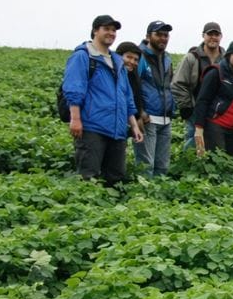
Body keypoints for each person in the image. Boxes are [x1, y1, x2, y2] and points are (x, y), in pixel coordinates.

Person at [63, 15, 143, 186]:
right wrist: (75, 119)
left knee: (115, 178)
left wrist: (134, 126)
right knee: (89, 177)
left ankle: (112, 211)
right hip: (93, 127)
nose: (111, 33)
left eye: (114, 30)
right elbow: (74, 89)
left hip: (117, 130)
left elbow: (126, 96)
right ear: (95, 31)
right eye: (106, 29)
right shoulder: (83, 56)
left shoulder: (117, 62)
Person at [194, 40, 233, 160]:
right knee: (217, 161)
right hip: (216, 125)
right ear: (229, 55)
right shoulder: (215, 72)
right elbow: (203, 100)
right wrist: (199, 128)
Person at [172, 22, 223, 149]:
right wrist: (187, 106)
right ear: (203, 36)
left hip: (217, 111)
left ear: (221, 37)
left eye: (216, 34)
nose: (213, 37)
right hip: (195, 109)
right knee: (193, 142)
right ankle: (189, 165)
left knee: (214, 144)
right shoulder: (192, 58)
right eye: (210, 34)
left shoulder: (226, 59)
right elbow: (177, 83)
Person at [134, 20, 175, 177]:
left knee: (162, 166)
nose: (163, 38)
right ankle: (143, 198)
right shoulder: (140, 57)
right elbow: (132, 86)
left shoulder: (167, 58)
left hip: (165, 118)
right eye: (158, 34)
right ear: (148, 36)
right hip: (148, 118)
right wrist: (139, 112)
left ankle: (158, 199)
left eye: (166, 35)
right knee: (146, 165)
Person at [115, 41, 146, 129]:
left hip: (127, 123)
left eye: (136, 60)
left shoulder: (133, 76)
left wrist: (138, 116)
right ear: (118, 56)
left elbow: (135, 98)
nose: (132, 62)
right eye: (128, 57)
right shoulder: (110, 75)